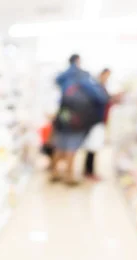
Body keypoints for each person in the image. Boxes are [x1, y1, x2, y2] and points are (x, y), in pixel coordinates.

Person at [50, 55, 109, 185]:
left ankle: (54, 172)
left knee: (59, 146)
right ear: (78, 61)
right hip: (77, 119)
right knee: (71, 147)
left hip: (63, 115)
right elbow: (101, 98)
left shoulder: (64, 77)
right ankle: (69, 176)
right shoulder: (84, 77)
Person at [83, 68, 115, 181]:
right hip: (95, 121)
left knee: (94, 147)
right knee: (92, 147)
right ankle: (88, 172)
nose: (107, 78)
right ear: (101, 74)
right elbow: (102, 100)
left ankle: (89, 171)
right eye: (106, 75)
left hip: (99, 121)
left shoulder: (100, 87)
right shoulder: (96, 87)